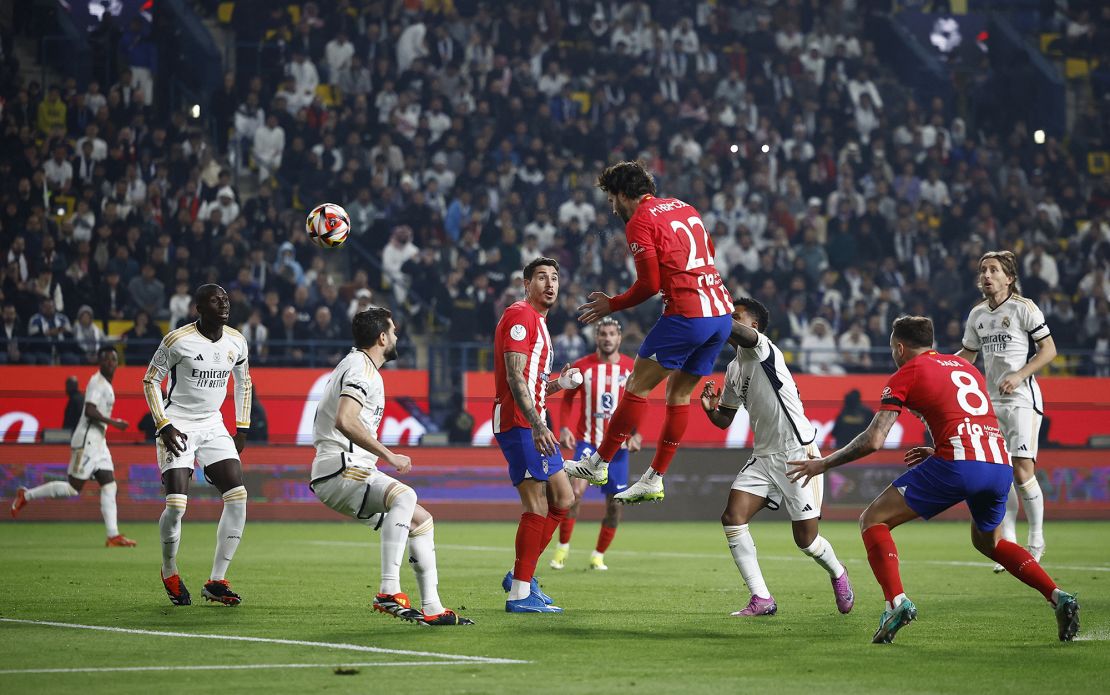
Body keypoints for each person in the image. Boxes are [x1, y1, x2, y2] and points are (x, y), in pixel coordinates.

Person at [787, 316, 1080, 644]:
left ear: (899, 347)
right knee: (991, 542)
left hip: (959, 462)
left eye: (892, 349)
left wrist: (823, 463)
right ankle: (1058, 596)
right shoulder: (965, 367)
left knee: (873, 520)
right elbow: (965, 417)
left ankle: (896, 602)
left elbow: (874, 439)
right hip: (998, 462)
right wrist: (938, 448)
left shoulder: (906, 373)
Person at [567, 161, 733, 505]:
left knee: (636, 386)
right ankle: (654, 478)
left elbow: (650, 285)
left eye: (612, 200)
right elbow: (709, 254)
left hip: (687, 315)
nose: (613, 209)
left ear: (624, 194)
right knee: (678, 394)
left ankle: (599, 463)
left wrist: (612, 304)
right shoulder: (685, 207)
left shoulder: (640, 220)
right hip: (720, 313)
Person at [310, 307, 472, 626]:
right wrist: (389, 455)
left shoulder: (361, 366)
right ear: (382, 337)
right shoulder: (361, 368)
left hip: (352, 469)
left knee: (421, 521)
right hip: (341, 468)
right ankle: (388, 591)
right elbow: (345, 419)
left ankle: (433, 608)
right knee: (404, 496)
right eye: (394, 332)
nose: (397, 337)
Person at [701, 298, 853, 617]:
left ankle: (838, 572)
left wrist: (708, 311)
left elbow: (736, 331)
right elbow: (725, 420)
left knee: (807, 542)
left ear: (752, 326)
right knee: (732, 517)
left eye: (735, 317)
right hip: (764, 456)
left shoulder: (763, 348)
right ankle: (762, 598)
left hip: (798, 455)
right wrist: (710, 410)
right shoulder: (733, 368)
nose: (729, 320)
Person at [142, 284, 253, 607]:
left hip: (213, 424)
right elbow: (150, 380)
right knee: (177, 505)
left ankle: (217, 581)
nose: (224, 303)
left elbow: (243, 382)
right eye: (215, 300)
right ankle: (169, 570)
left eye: (226, 299)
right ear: (198, 308)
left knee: (238, 496)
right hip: (178, 424)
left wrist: (241, 427)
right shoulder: (177, 340)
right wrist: (163, 424)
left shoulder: (237, 341)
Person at [956, 251, 1056, 569]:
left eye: (993, 270)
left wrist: (1019, 375)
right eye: (983, 269)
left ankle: (1037, 540)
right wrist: (940, 367)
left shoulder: (1023, 308)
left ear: (1008, 278)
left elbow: (1049, 349)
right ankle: (1008, 540)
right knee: (1001, 473)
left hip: (1022, 400)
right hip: (990, 403)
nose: (986, 275)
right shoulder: (977, 316)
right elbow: (967, 356)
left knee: (1023, 471)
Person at [494, 257, 582, 613]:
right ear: (525, 283)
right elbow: (515, 379)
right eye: (541, 277)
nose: (550, 284)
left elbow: (531, 381)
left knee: (563, 498)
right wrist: (538, 423)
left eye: (555, 278)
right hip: (520, 423)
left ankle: (521, 575)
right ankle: (519, 593)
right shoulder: (520, 316)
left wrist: (558, 384)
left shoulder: (539, 322)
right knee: (538, 505)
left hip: (531, 419)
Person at [11, 347, 136, 547]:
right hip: (87, 441)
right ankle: (25, 495)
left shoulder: (106, 384)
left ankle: (113, 535)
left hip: (99, 442)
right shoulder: (97, 383)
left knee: (109, 484)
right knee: (72, 488)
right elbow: (89, 410)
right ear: (99, 361)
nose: (110, 362)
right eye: (106, 359)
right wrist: (114, 423)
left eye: (113, 359)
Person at [553, 317, 640, 571]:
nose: (607, 338)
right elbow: (568, 398)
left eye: (612, 333)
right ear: (597, 337)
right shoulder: (583, 367)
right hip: (588, 443)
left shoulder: (630, 368)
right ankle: (562, 549)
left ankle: (598, 555)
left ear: (619, 338)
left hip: (618, 448)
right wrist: (565, 427)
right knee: (574, 495)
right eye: (603, 333)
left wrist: (638, 433)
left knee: (615, 505)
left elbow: (639, 402)